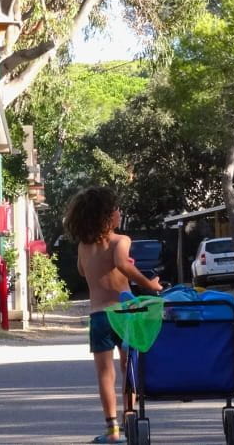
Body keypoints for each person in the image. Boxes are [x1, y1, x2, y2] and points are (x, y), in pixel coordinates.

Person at [64, 186, 163, 444]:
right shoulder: (121, 241)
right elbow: (120, 264)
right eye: (116, 209)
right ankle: (130, 417)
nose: (120, 212)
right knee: (129, 367)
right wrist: (149, 284)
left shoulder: (84, 247)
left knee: (105, 374)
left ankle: (112, 430)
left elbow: (84, 272)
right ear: (107, 216)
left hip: (98, 316)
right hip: (124, 314)